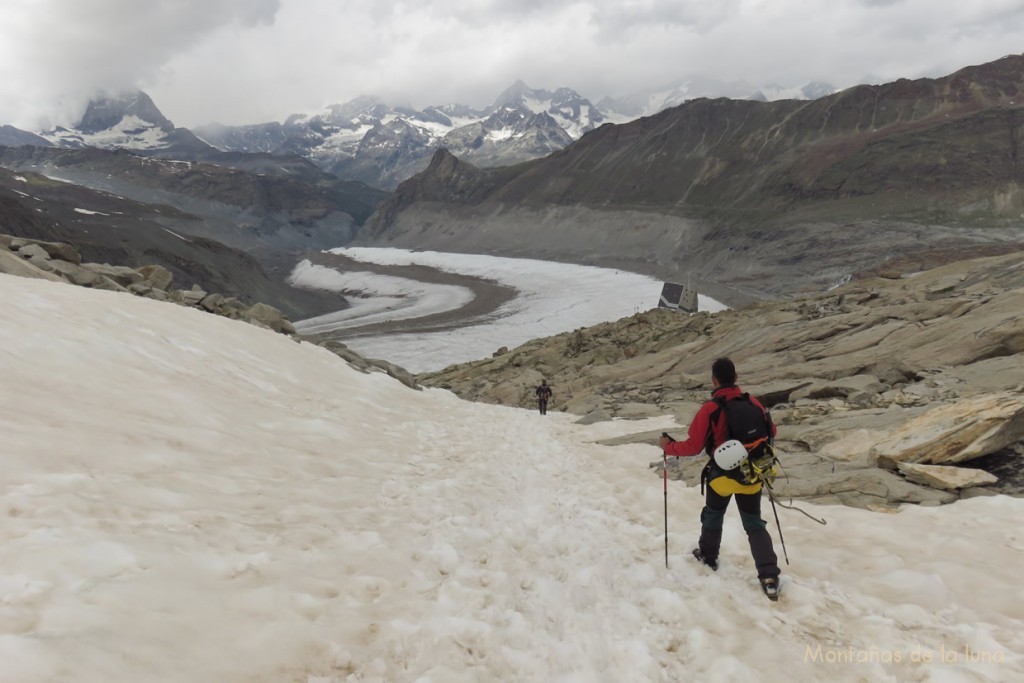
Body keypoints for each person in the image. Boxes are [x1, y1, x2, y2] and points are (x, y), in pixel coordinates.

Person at [658, 357, 782, 599]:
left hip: (722, 477)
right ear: (736, 378)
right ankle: (769, 575)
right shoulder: (753, 403)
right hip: (750, 475)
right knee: (754, 523)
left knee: (714, 514)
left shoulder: (710, 409)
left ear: (714, 380)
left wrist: (668, 447)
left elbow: (693, 446)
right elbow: (772, 431)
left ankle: (708, 555)